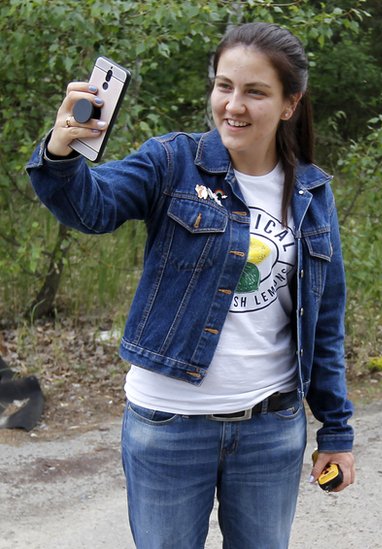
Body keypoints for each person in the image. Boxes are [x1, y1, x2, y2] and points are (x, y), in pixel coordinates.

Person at [25, 22, 355, 548]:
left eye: (255, 92)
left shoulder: (311, 192)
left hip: (271, 429)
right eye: (224, 86)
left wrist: (336, 430)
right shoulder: (172, 162)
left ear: (289, 104)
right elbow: (93, 208)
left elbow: (327, 320)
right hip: (168, 425)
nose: (233, 105)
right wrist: (61, 155)